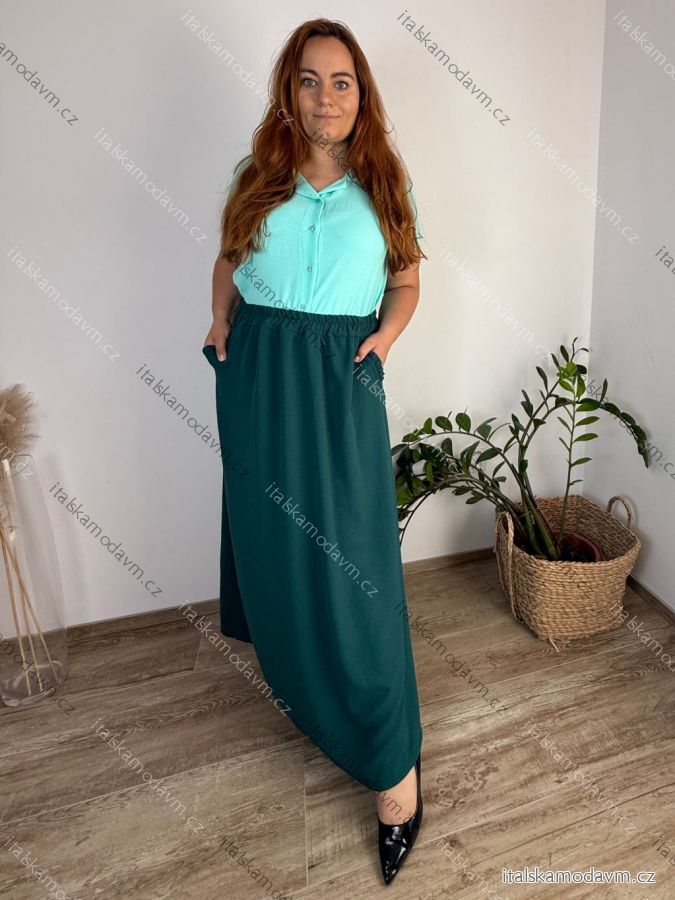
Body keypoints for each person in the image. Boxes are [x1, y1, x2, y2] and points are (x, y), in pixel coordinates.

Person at [202, 17, 426, 885]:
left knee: (355, 564)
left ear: (360, 95)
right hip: (259, 372)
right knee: (275, 543)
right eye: (308, 80)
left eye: (340, 81)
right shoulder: (254, 175)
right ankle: (302, 680)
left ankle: (394, 767)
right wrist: (220, 321)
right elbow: (228, 259)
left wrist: (384, 340)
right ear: (287, 92)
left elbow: (405, 279)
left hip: (338, 376)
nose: (324, 97)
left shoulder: (387, 182)